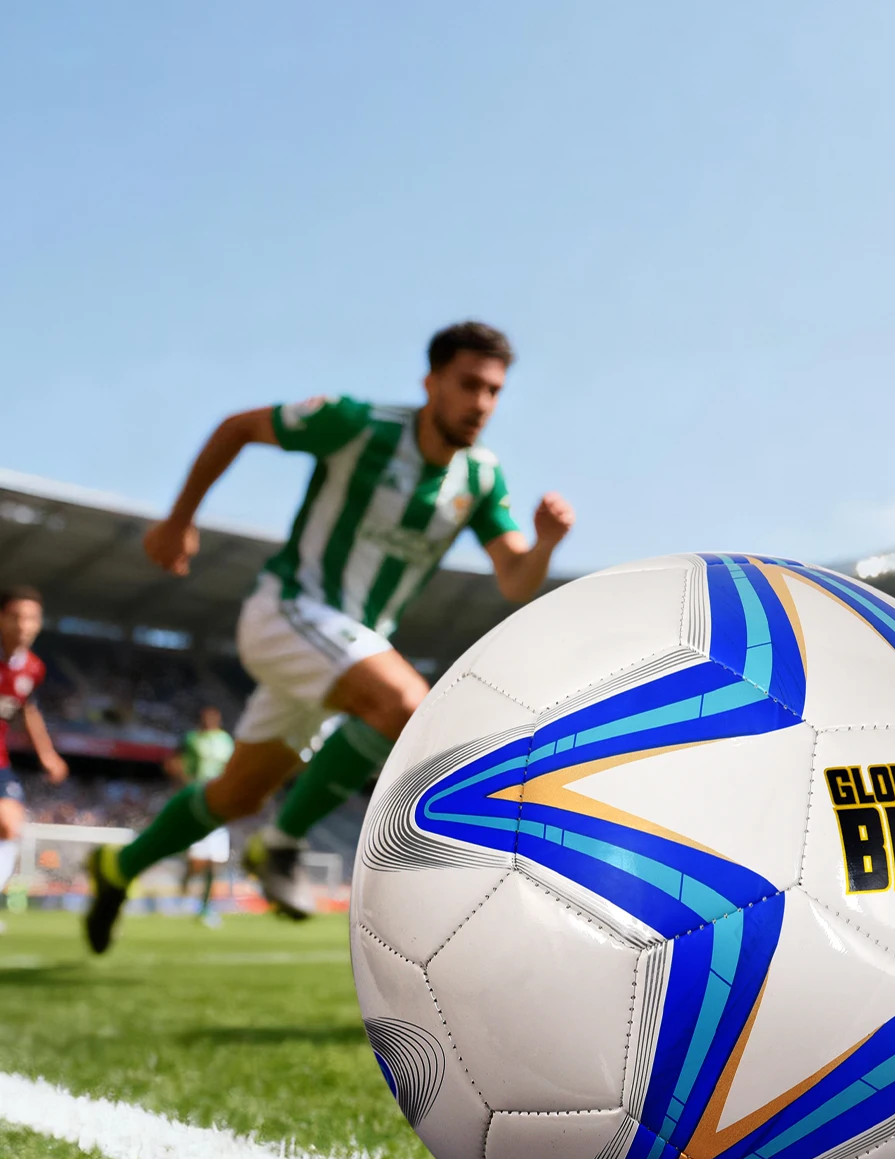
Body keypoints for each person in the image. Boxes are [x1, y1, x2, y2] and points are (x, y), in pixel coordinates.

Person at [85, 321, 575, 953]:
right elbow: (239, 425)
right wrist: (180, 520)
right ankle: (286, 843)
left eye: (494, 391)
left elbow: (514, 578)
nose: (481, 403)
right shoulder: (355, 423)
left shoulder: (480, 479)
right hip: (289, 610)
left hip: (347, 648)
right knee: (405, 705)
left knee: (236, 794)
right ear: (431, 382)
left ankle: (116, 870)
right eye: (469, 385)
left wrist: (545, 545)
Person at [0, 586, 68, 927]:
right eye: (15, 616)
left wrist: (47, 754)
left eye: (31, 618)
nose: (24, 625)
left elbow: (28, 710)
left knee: (11, 824)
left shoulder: (33, 668)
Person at [167, 704, 234, 927]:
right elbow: (173, 762)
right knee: (196, 862)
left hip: (219, 807)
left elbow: (232, 768)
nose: (210, 721)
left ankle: (205, 907)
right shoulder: (190, 739)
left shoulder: (226, 741)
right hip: (196, 803)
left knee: (215, 863)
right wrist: (186, 785)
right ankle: (182, 896)